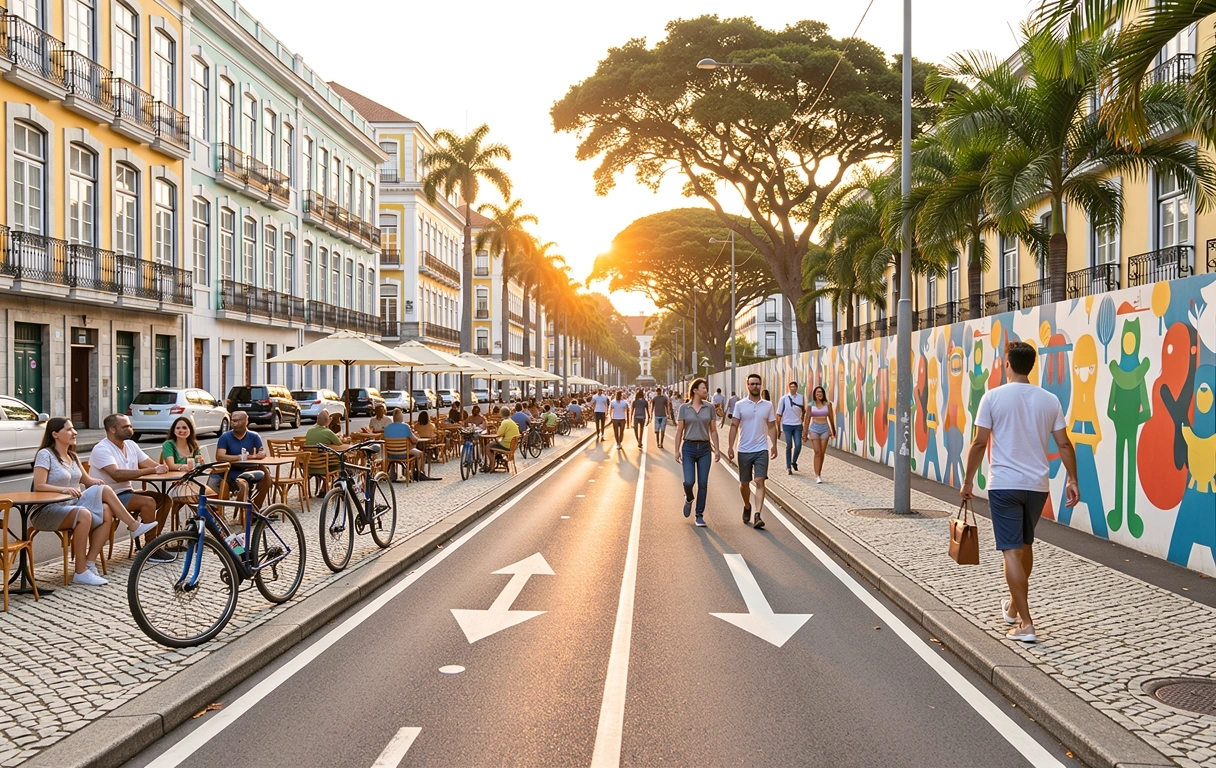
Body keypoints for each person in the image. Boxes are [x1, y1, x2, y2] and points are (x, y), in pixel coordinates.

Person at [963, 340, 1080, 644]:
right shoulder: (1049, 400)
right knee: (1025, 545)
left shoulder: (992, 398)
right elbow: (1064, 444)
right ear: (1030, 366)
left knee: (1011, 550)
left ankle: (1026, 624)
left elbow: (979, 443)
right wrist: (1072, 479)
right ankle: (1013, 606)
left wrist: (967, 482)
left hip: (1004, 484)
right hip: (1037, 487)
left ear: (1008, 364)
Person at [33, 418, 157, 585]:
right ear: (55, 434)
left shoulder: (72, 456)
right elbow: (39, 485)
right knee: (84, 514)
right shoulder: (45, 454)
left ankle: (89, 562)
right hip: (47, 510)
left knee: (106, 508)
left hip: (71, 505)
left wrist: (97, 482)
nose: (75, 432)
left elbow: (87, 480)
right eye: (69, 430)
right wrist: (62, 489)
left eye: (74, 429)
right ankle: (80, 571)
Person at [89, 414, 170, 539]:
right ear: (112, 429)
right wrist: (153, 470)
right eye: (125, 426)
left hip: (127, 492)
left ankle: (155, 540)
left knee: (165, 500)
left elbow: (150, 464)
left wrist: (167, 467)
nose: (130, 429)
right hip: (109, 496)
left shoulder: (131, 445)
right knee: (148, 502)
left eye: (130, 426)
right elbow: (117, 475)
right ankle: (151, 547)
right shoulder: (102, 449)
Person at [728, 373, 778, 530]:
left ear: (761, 385)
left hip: (761, 449)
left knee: (759, 481)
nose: (755, 386)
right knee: (744, 483)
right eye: (752, 384)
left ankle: (758, 514)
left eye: (758, 384)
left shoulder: (768, 405)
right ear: (747, 385)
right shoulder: (740, 405)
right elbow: (734, 426)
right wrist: (730, 446)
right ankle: (747, 506)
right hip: (744, 449)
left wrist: (774, 445)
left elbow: (771, 426)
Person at [674, 378, 721, 527]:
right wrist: (676, 450)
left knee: (703, 483)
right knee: (689, 481)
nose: (706, 391)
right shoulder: (684, 408)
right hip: (688, 448)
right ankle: (689, 498)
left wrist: (717, 450)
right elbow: (679, 430)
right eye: (703, 388)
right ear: (695, 390)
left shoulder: (710, 408)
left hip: (705, 449)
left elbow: (713, 430)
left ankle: (699, 515)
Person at [213, 411, 271, 506]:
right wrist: (239, 457)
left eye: (237, 420)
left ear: (246, 421)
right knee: (243, 484)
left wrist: (261, 454)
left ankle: (255, 509)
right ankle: (243, 510)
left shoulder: (254, 436)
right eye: (232, 420)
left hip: (251, 469)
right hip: (232, 470)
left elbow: (262, 451)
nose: (233, 423)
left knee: (266, 479)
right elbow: (219, 457)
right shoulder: (225, 437)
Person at [803, 386, 837, 483]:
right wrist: (804, 433)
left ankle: (819, 472)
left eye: (821, 392)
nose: (819, 394)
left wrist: (833, 431)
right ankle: (817, 475)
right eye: (817, 392)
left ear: (823, 394)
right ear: (815, 394)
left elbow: (831, 418)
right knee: (817, 452)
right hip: (814, 428)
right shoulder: (811, 405)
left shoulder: (828, 404)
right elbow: (807, 419)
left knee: (822, 453)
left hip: (825, 428)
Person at [777, 381, 807, 475]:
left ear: (797, 388)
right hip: (787, 424)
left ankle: (794, 461)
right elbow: (778, 414)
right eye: (791, 387)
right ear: (789, 388)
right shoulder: (784, 399)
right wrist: (778, 429)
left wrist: (803, 420)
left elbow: (804, 411)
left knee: (798, 445)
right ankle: (788, 466)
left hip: (797, 425)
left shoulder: (801, 398)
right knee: (789, 445)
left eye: (794, 387)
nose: (793, 388)